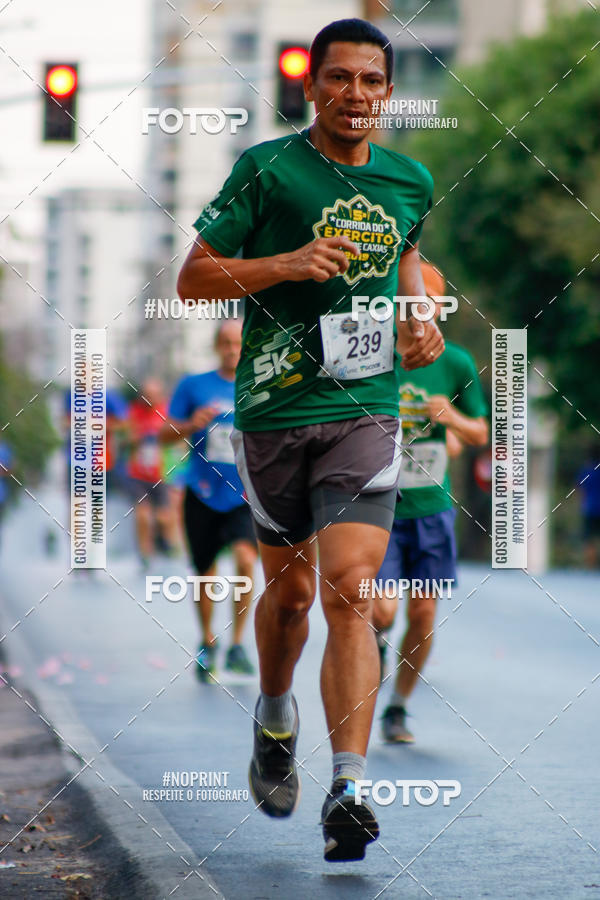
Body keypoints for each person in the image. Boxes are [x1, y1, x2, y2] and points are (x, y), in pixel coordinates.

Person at [177, 18, 444, 861]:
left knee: (353, 592)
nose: (354, 95)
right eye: (339, 79)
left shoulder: (409, 180)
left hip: (365, 412)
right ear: (311, 87)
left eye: (371, 81)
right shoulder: (267, 169)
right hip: (273, 418)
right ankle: (274, 714)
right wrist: (286, 264)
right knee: (288, 602)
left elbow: (408, 255)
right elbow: (193, 278)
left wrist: (422, 309)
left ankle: (350, 786)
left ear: (388, 94)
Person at [373, 261, 489, 743]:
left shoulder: (457, 362)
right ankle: (375, 646)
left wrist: (453, 420)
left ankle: (397, 708)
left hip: (431, 509)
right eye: (408, 299)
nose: (418, 309)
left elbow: (481, 431)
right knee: (381, 612)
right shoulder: (372, 355)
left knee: (422, 614)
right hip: (377, 505)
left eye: (429, 301)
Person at [161, 320, 258, 680]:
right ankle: (207, 641)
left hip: (245, 494)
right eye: (226, 343)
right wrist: (190, 425)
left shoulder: (259, 383)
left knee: (247, 560)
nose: (233, 349)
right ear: (217, 346)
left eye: (238, 343)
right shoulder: (193, 385)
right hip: (201, 492)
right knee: (205, 573)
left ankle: (236, 643)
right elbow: (163, 435)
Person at [124, 378, 174, 567]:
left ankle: (163, 541)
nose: (149, 400)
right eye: (146, 396)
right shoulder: (134, 411)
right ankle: (145, 553)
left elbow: (176, 437)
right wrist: (136, 437)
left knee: (163, 517)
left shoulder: (166, 410)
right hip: (138, 474)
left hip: (161, 474)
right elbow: (126, 438)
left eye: (153, 396)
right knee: (143, 516)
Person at [577, 454, 600, 568]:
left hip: (590, 509)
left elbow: (581, 490)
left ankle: (590, 565)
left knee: (589, 539)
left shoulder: (586, 472)